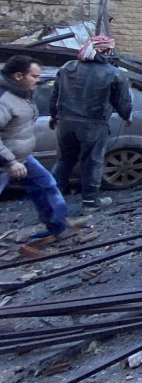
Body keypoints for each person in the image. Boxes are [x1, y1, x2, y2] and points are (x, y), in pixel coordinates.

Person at [51, 35, 132, 210]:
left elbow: (55, 96)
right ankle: (89, 202)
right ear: (108, 50)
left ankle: (51, 199)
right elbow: (123, 102)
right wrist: (127, 116)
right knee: (92, 162)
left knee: (64, 160)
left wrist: (53, 116)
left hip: (65, 122)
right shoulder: (114, 73)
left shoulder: (67, 68)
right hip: (93, 124)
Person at [0, 57, 69, 238]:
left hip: (21, 157)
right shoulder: (3, 100)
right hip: (6, 161)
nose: (38, 80)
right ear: (18, 76)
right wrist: (10, 161)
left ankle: (58, 228)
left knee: (46, 185)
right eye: (34, 76)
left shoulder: (21, 93)